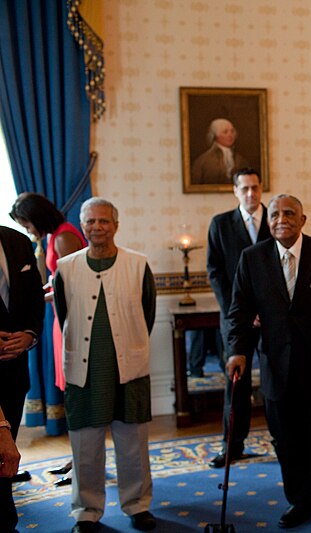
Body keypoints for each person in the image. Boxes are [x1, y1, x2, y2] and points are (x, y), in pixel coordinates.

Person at [226, 194, 311, 532]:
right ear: (269, 221)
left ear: (303, 219)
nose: (282, 219)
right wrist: (236, 351)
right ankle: (299, 501)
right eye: (276, 214)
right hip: (275, 367)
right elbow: (239, 312)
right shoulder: (252, 258)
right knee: (286, 439)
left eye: (290, 213)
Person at [53, 198, 157, 533]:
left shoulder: (138, 265)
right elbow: (63, 314)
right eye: (90, 222)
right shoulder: (66, 268)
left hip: (129, 370)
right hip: (85, 372)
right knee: (85, 444)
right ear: (82, 227)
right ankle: (87, 510)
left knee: (133, 444)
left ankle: (137, 506)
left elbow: (148, 314)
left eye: (104, 221)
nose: (97, 227)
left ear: (115, 224)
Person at [10, 192, 87, 484]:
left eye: (27, 224)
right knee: (70, 388)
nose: (28, 230)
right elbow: (58, 279)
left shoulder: (64, 237)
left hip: (69, 319)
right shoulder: (56, 235)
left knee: (75, 389)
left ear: (37, 217)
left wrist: (40, 296)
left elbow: (74, 284)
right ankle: (76, 458)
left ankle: (81, 461)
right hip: (58, 317)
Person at [206, 168, 270, 468]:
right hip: (236, 318)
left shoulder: (276, 219)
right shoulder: (220, 224)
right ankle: (232, 445)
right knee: (236, 383)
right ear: (235, 191)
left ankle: (282, 440)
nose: (250, 194)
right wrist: (239, 309)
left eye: (255, 187)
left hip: (273, 318)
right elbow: (215, 272)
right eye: (244, 188)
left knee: (276, 379)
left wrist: (265, 309)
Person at [0, 224, 44, 532]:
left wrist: (29, 335)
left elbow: (34, 298)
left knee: (7, 452)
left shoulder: (16, 241)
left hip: (13, 372)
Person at [191, 118, 251, 185]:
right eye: (225, 132)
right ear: (216, 136)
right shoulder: (203, 161)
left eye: (232, 131)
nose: (230, 135)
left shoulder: (241, 160)